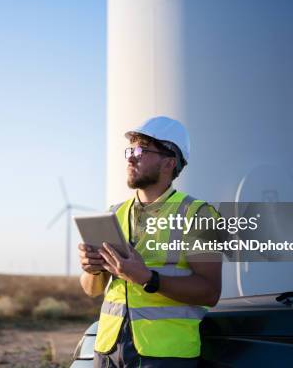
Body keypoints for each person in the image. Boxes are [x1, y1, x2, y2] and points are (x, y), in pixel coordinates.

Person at [78, 116, 222, 368]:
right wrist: (92, 269)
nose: (131, 157)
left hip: (165, 354)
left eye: (141, 149)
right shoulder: (114, 214)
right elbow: (92, 289)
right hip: (108, 351)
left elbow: (210, 292)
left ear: (169, 162)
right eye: (130, 150)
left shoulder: (198, 214)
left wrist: (147, 277)